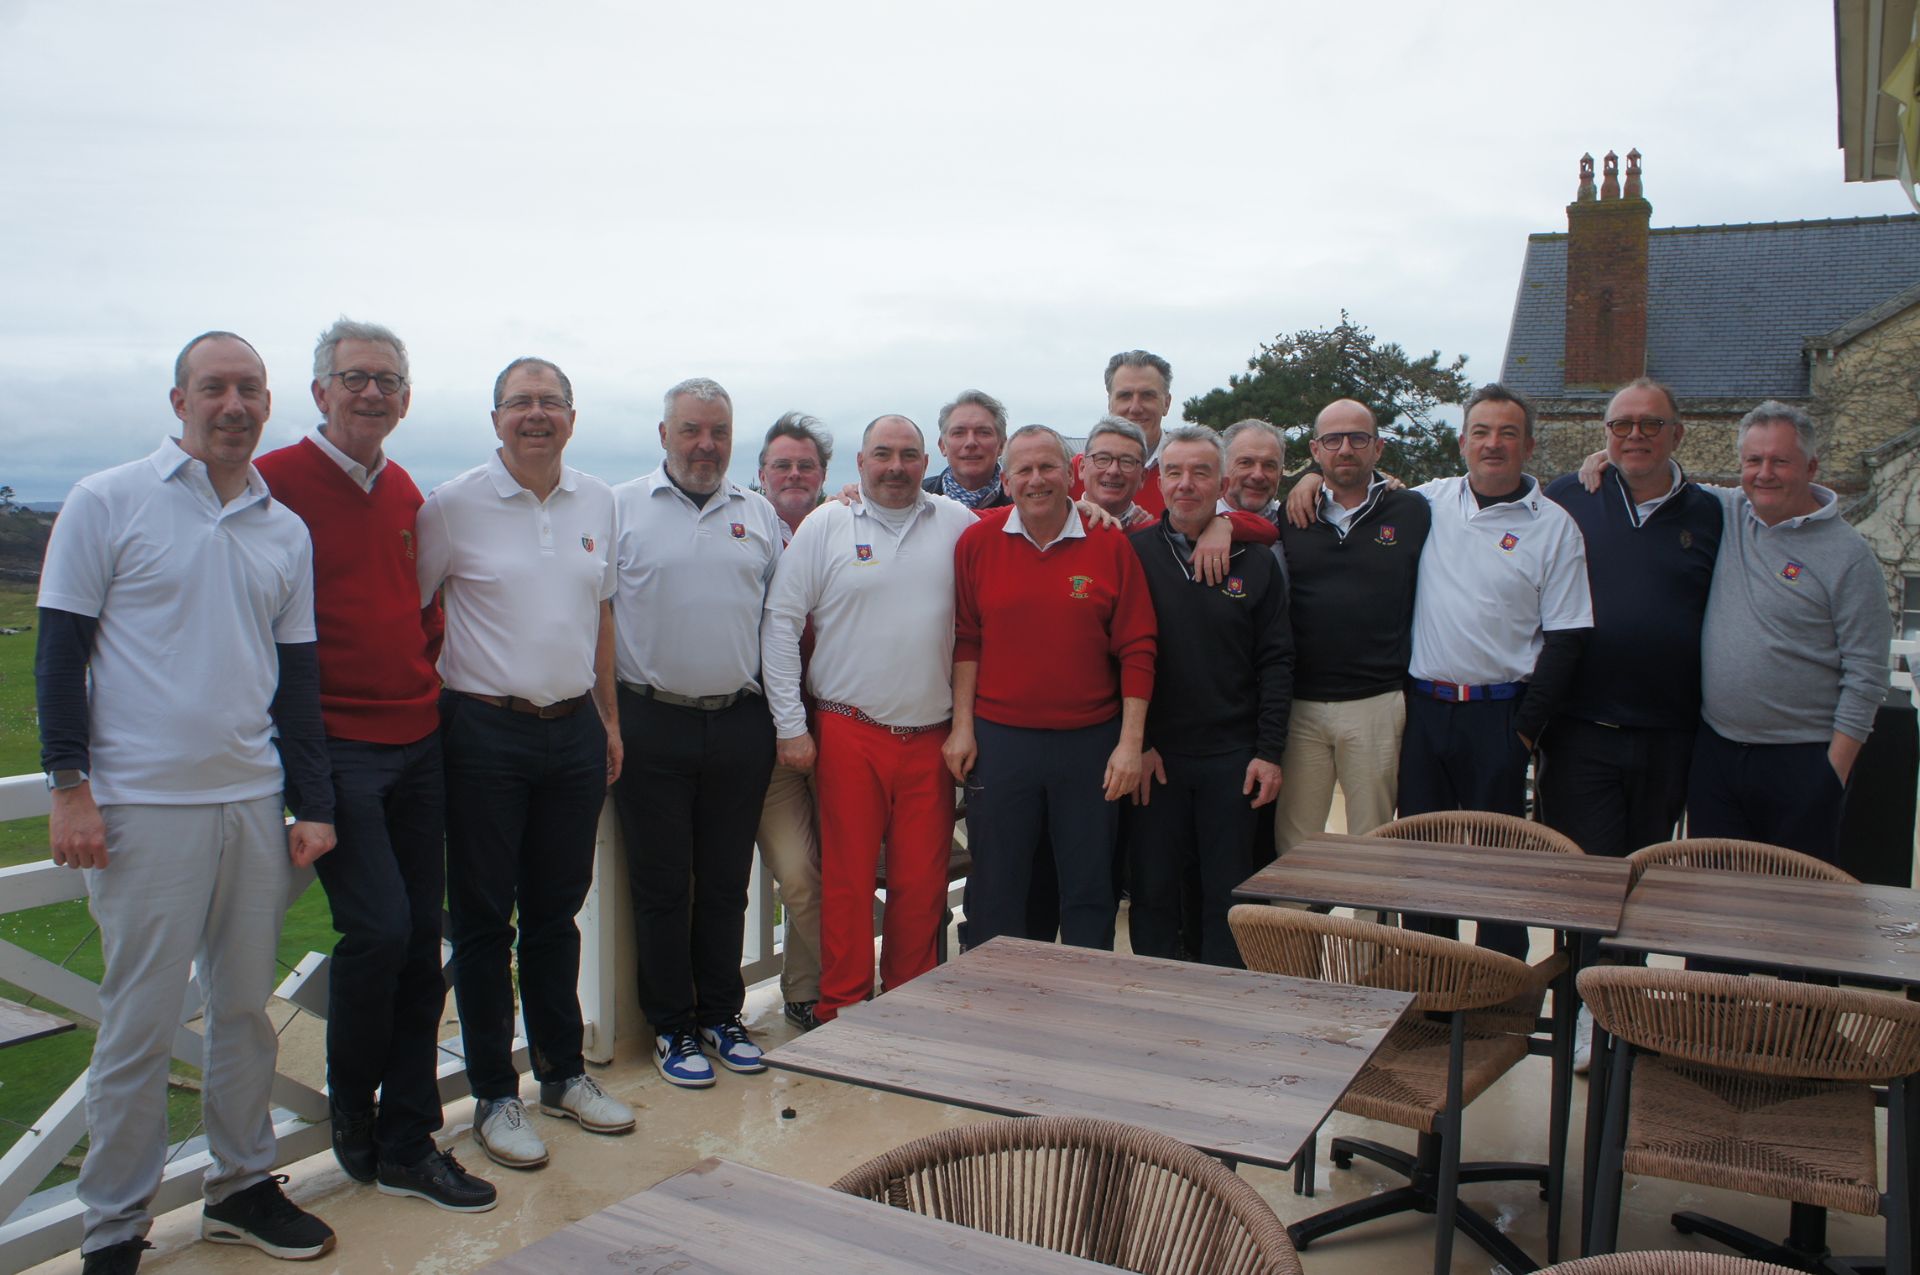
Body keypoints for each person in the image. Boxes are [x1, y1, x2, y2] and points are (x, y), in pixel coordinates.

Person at [37, 331, 338, 1270]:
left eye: (250, 389)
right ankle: (112, 1228)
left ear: (268, 403)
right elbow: (59, 653)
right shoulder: (106, 500)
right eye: (214, 388)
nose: (233, 405)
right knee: (139, 1024)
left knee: (243, 1011)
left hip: (253, 802)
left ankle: (241, 1185)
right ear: (180, 402)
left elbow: (296, 681)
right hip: (140, 808)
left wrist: (312, 801)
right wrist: (68, 788)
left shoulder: (283, 529)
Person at [255, 320, 494, 1211]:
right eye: (354, 377)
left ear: (405, 398)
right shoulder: (274, 483)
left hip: (417, 740)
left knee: (421, 941)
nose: (371, 392)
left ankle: (407, 1137)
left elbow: (420, 610)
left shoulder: (402, 490)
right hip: (335, 747)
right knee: (382, 931)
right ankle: (355, 1106)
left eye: (387, 380)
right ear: (320, 391)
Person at [418, 356, 633, 1171]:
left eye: (551, 402)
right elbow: (416, 613)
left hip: (571, 728)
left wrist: (608, 719)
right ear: (495, 418)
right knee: (482, 921)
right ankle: (492, 1095)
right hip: (482, 730)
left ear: (572, 417)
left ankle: (562, 1074)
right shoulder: (452, 504)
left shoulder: (598, 500)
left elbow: (600, 614)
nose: (536, 414)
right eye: (520, 402)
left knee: (555, 913)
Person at [1297, 385, 1591, 958]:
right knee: (1421, 861)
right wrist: (1310, 480)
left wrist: (1525, 731)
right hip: (1425, 712)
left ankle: (1501, 986)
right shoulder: (1427, 502)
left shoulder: (1555, 527)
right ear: (1462, 442)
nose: (1493, 443)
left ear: (1529, 445)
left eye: (1507, 433)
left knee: (1497, 867)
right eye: (1481, 432)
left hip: (1500, 716)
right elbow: (1355, 485)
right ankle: (1429, 979)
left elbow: (1568, 638)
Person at [763, 415, 978, 1019]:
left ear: (926, 462)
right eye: (882, 454)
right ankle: (844, 1007)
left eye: (909, 455)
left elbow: (1024, 529)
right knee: (848, 882)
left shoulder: (958, 524)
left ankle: (907, 1008)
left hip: (931, 736)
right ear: (860, 463)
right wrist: (790, 724)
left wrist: (1088, 508)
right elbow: (781, 622)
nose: (895, 466)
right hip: (848, 729)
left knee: (921, 884)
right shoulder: (827, 523)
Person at [610, 378, 782, 1088]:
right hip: (650, 719)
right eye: (691, 430)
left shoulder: (760, 514)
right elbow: (595, 618)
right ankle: (671, 1025)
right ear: (664, 435)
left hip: (739, 720)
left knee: (725, 883)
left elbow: (781, 618)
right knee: (660, 887)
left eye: (718, 432)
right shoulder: (620, 508)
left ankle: (720, 1013)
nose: (705, 445)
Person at [947, 425, 1157, 950]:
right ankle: (995, 989)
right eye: (1024, 469)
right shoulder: (977, 542)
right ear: (1006, 479)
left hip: (1089, 742)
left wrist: (1130, 743)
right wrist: (962, 728)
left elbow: (1137, 647)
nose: (1036, 479)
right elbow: (967, 639)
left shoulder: (1109, 543)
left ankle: (1084, 992)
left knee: (1089, 885)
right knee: (998, 883)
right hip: (1001, 741)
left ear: (1071, 473)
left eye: (1047, 467)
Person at [1689, 400, 1890, 861]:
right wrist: (1605, 458)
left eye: (1780, 461)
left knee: (1793, 897)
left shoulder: (1849, 556)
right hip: (1717, 753)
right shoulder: (1731, 512)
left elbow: (1867, 674)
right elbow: (1660, 480)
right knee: (1713, 889)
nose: (1764, 474)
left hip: (1802, 760)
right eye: (1753, 461)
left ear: (1811, 467)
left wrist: (1832, 774)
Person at [1127, 427, 1292, 966]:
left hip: (1233, 757)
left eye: (1200, 473)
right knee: (1153, 889)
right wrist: (1137, 744)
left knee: (1229, 893)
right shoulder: (1133, 555)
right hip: (1157, 758)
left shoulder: (1256, 562)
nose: (1186, 484)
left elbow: (1276, 661)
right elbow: (1114, 658)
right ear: (1159, 482)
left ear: (1221, 485)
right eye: (1174, 472)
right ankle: (1152, 997)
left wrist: (1268, 752)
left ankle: (1223, 1000)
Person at [1539, 379, 1722, 859]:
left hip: (1669, 735)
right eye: (1622, 425)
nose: (1635, 434)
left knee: (1648, 873)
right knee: (1584, 876)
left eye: (1651, 424)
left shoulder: (1712, 513)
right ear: (1605, 433)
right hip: (1579, 729)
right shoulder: (1568, 497)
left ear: (1678, 434)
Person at [1272, 401, 1431, 857]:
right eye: (1333, 439)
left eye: (1358, 438)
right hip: (1301, 706)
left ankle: (1371, 911)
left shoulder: (1413, 510)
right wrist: (1305, 482)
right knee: (1296, 846)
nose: (1346, 448)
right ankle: (1295, 910)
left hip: (1376, 703)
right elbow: (1234, 521)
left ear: (1378, 448)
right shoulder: (1288, 516)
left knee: (1374, 845)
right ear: (1315, 450)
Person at [751, 412, 832, 1031]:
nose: (795, 475)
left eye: (806, 465)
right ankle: (846, 975)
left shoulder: (844, 528)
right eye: (782, 465)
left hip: (841, 729)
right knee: (799, 873)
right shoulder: (745, 532)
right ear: (762, 474)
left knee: (839, 869)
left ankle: (809, 990)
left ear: (824, 475)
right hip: (767, 736)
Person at [1069, 350, 1175, 516]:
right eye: (1125, 396)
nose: (1135, 408)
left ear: (1166, 403)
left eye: (1147, 396)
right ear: (1109, 403)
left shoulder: (1186, 475)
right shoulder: (1071, 474)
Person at [923, 389, 1012, 509]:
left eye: (983, 432)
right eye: (959, 433)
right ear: (942, 445)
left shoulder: (1023, 503)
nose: (970, 442)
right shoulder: (915, 499)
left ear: (1002, 445)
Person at [1078, 416, 1157, 528]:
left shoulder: (1153, 532)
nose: (1113, 470)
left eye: (1126, 461)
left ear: (1142, 477)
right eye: (1103, 459)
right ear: (1082, 468)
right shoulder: (1058, 525)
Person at [1223, 418, 1287, 520]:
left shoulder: (1293, 523)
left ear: (1280, 474)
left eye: (1269, 465)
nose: (1258, 475)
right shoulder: (1198, 523)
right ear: (1222, 469)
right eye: (1246, 463)